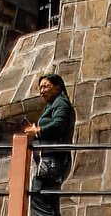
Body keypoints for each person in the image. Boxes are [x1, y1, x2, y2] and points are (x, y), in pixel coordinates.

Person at [28, 75, 74, 211]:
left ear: (58, 87)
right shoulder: (53, 105)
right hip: (51, 158)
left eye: (46, 86)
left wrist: (38, 131)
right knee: (48, 201)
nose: (42, 90)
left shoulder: (61, 103)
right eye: (40, 87)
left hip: (54, 159)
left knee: (39, 196)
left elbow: (59, 124)